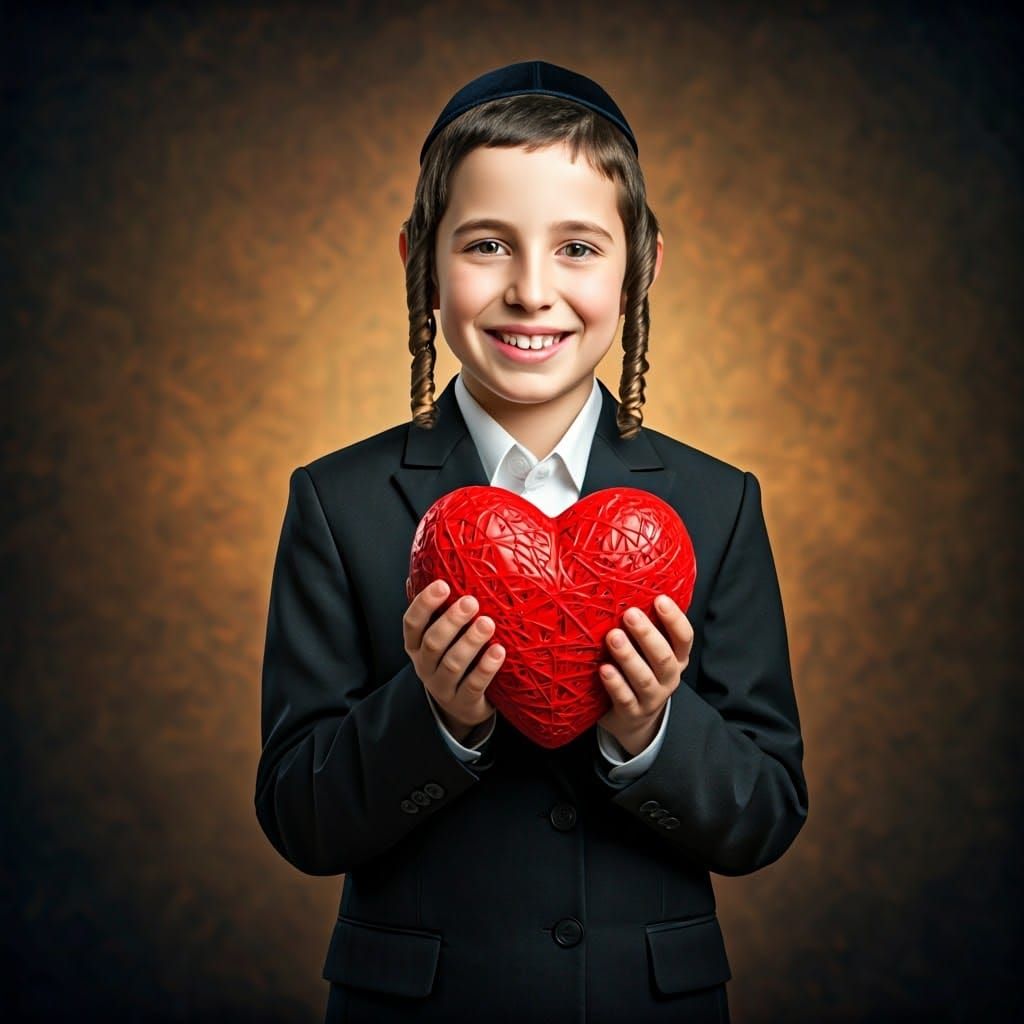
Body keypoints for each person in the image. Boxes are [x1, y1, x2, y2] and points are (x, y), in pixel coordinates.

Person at [255, 60, 808, 1024]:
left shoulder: (719, 504)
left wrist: (650, 734)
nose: (531, 290)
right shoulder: (336, 503)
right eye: (486, 245)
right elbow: (299, 817)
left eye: (580, 248)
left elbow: (765, 812)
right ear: (419, 258)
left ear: (642, 266)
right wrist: (433, 716)